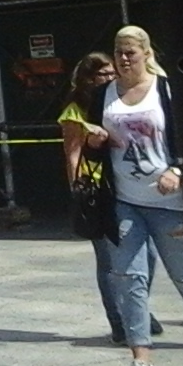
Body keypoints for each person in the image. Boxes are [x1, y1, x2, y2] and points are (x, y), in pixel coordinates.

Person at [84, 25, 183, 366]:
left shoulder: (165, 90)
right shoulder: (104, 94)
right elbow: (92, 151)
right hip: (125, 202)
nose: (123, 59)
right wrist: (95, 142)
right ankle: (141, 362)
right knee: (128, 279)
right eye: (118, 51)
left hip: (170, 204)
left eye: (130, 52)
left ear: (146, 54)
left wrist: (177, 170)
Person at [58, 52, 160, 344]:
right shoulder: (75, 110)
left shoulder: (116, 100)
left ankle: (136, 310)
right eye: (104, 74)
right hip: (97, 188)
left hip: (125, 183)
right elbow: (72, 153)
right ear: (89, 78)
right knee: (108, 259)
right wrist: (78, 190)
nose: (111, 78)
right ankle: (118, 320)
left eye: (113, 73)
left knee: (148, 254)